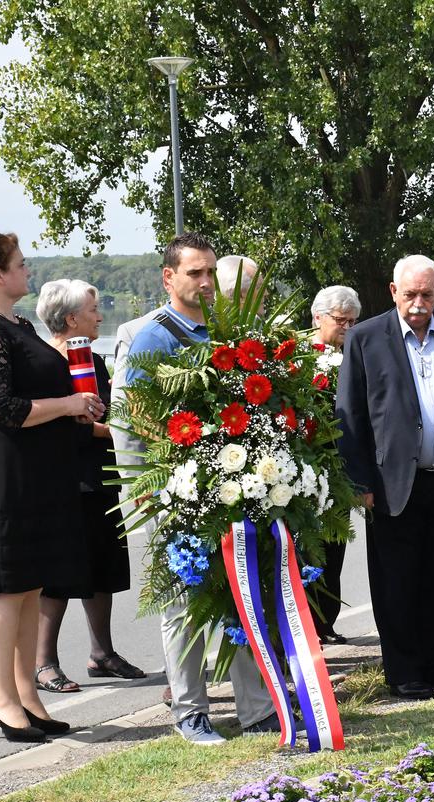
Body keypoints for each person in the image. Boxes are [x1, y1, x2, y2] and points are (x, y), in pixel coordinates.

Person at [0, 232, 100, 743]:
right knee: (6, 587)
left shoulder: (18, 324)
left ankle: (27, 695)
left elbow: (40, 389)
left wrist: (81, 401)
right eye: (21, 264)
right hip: (2, 474)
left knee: (30, 587)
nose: (28, 271)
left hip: (38, 473)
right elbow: (3, 410)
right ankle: (1, 700)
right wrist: (70, 406)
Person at [117, 233, 278, 744]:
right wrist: (144, 486)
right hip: (177, 493)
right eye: (194, 273)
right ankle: (190, 711)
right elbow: (133, 419)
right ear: (169, 278)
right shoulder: (155, 337)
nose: (206, 282)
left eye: (210, 272)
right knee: (184, 604)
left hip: (234, 487)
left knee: (242, 595)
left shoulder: (226, 332)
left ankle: (256, 711)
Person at [335, 255, 434, 700]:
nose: (419, 304)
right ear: (393, 292)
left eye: (427, 294)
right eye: (410, 295)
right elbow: (350, 417)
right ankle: (405, 674)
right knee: (397, 584)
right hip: (392, 486)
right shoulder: (365, 338)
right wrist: (360, 482)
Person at [32, 279, 145, 694]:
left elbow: (107, 411)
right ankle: (44, 663)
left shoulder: (94, 360)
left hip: (99, 475)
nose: (100, 316)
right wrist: (110, 431)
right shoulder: (43, 362)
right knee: (61, 573)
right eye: (93, 309)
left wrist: (117, 422)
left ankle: (102, 653)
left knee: (104, 565)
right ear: (71, 317)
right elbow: (65, 425)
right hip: (62, 478)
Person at [308, 284, 362, 645]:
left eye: (353, 321)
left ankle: (326, 621)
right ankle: (308, 622)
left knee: (335, 546)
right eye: (341, 320)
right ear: (318, 318)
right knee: (308, 548)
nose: (347, 328)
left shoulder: (352, 356)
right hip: (308, 468)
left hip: (338, 473)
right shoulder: (298, 358)